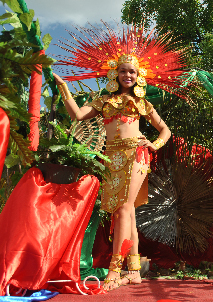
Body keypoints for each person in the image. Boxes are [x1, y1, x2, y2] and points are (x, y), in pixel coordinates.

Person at [53, 24, 188, 291]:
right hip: (111, 158)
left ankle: (115, 272)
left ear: (139, 76)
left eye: (133, 71)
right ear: (116, 73)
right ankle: (134, 271)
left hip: (136, 155)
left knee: (124, 210)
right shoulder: (103, 101)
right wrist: (65, 90)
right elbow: (78, 116)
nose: (128, 75)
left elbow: (165, 130)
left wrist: (154, 144)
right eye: (124, 70)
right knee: (124, 214)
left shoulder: (143, 104)